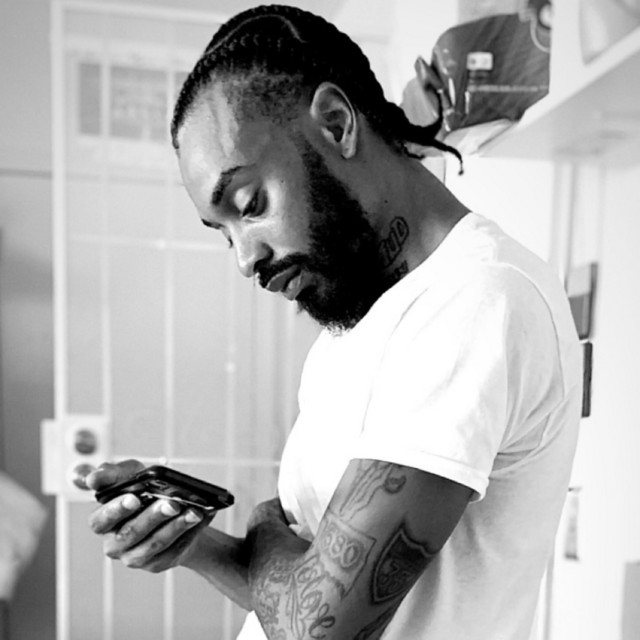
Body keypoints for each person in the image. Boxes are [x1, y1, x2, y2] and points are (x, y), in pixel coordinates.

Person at [86, 5, 582, 639]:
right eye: (224, 232)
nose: (245, 259)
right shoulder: (354, 329)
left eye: (250, 204)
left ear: (336, 123)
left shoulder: (478, 300)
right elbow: (295, 595)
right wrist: (198, 544)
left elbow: (317, 626)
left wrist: (265, 525)